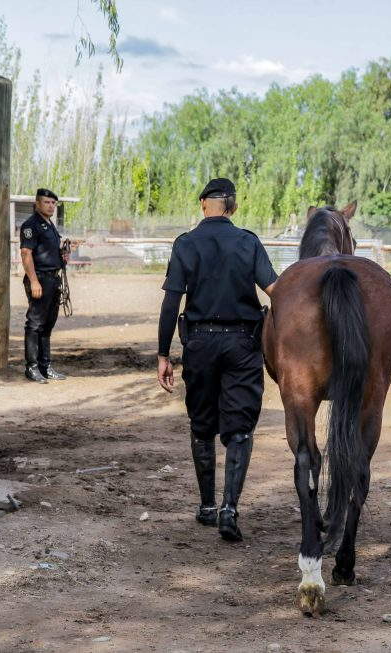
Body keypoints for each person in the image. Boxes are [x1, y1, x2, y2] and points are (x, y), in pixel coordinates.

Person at [157, 178, 278, 541]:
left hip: (200, 343)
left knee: (202, 425)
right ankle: (230, 508)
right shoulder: (248, 242)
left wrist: (163, 354)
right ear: (233, 206)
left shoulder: (185, 244)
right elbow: (276, 290)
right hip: (242, 343)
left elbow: (171, 303)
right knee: (239, 429)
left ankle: (207, 506)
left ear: (202, 204)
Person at [20, 188, 69, 383]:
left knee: (48, 324)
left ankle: (45, 365)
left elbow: (47, 252)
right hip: (40, 278)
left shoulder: (50, 225)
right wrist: (33, 281)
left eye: (53, 203)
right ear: (37, 203)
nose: (51, 206)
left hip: (54, 279)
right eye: (47, 202)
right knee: (34, 324)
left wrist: (62, 256)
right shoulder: (31, 225)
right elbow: (26, 253)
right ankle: (31, 367)